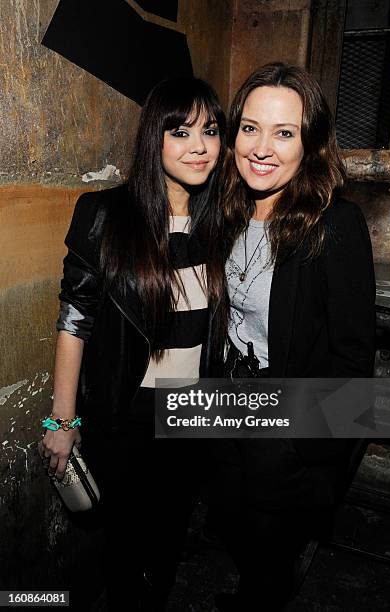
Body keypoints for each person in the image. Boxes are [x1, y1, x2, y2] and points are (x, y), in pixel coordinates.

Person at [38, 76, 227, 611]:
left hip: (195, 412)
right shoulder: (106, 214)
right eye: (181, 131)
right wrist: (63, 421)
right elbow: (76, 318)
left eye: (210, 131)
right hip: (129, 416)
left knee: (169, 538)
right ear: (154, 139)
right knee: (123, 547)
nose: (199, 146)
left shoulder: (221, 220)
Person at [209, 63, 376, 611]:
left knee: (268, 554)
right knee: (231, 524)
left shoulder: (336, 225)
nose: (262, 147)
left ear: (310, 143)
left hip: (287, 421)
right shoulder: (225, 213)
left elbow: (354, 365)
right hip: (223, 407)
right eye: (250, 127)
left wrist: (301, 449)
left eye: (284, 132)